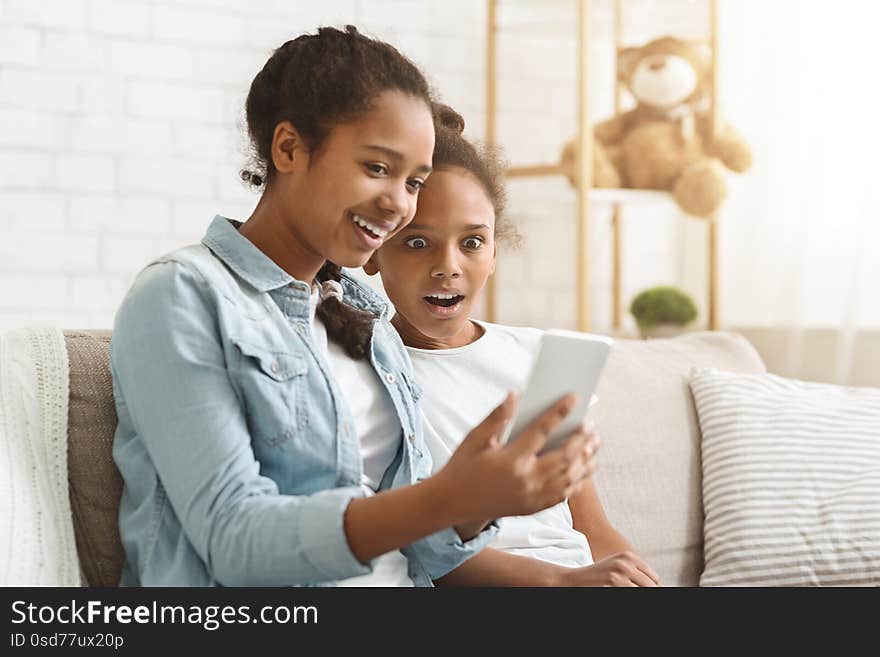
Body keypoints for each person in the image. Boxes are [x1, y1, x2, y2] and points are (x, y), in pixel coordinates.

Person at [109, 25, 598, 587]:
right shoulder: (182, 294)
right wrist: (445, 497)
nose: (398, 205)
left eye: (413, 181)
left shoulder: (367, 313)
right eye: (377, 168)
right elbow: (233, 540)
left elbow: (424, 552)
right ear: (288, 147)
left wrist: (477, 502)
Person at [364, 106, 661, 586]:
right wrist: (563, 585)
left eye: (472, 243)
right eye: (418, 243)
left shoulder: (540, 356)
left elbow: (593, 528)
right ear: (374, 251)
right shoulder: (371, 372)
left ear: (495, 250)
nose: (448, 266)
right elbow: (425, 555)